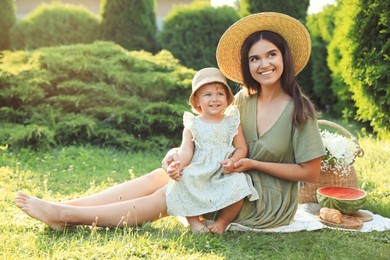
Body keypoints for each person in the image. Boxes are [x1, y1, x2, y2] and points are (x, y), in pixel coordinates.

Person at [16, 12, 325, 232]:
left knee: (167, 196)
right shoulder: (243, 99)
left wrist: (253, 165)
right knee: (161, 176)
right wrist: (176, 155)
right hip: (225, 177)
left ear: (284, 58)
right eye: (254, 58)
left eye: (271, 55)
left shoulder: (300, 110)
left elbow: (310, 173)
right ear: (247, 65)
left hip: (261, 198)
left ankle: (65, 215)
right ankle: (71, 206)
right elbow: (210, 136)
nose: (263, 64)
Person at [165, 67, 258, 234]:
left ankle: (221, 223)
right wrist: (178, 165)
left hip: (224, 171)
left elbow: (241, 147)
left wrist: (233, 161)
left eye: (220, 94)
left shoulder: (231, 122)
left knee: (240, 183)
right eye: (208, 95)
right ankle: (195, 223)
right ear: (197, 101)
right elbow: (186, 151)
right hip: (200, 169)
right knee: (182, 180)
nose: (215, 99)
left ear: (227, 99)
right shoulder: (193, 124)